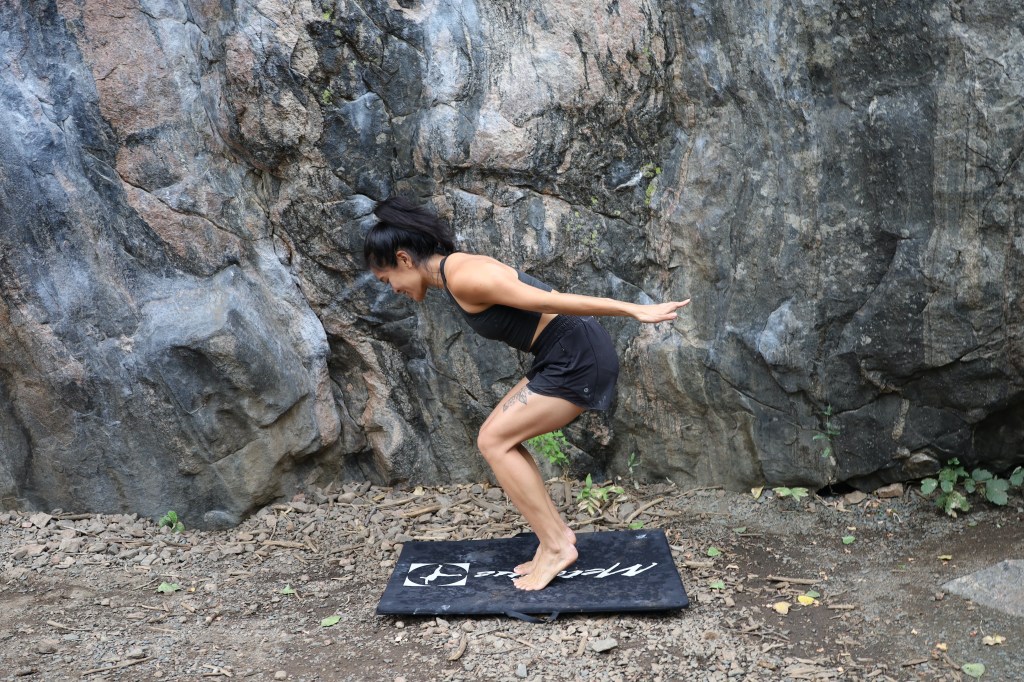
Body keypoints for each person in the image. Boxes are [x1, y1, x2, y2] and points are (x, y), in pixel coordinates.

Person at [364, 196, 690, 590]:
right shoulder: (456, 270)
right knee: (498, 437)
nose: (393, 289)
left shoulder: (466, 277)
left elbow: (552, 300)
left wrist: (633, 310)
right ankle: (556, 537)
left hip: (577, 355)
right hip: (561, 352)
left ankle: (555, 546)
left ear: (403, 259)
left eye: (387, 281)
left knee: (494, 440)